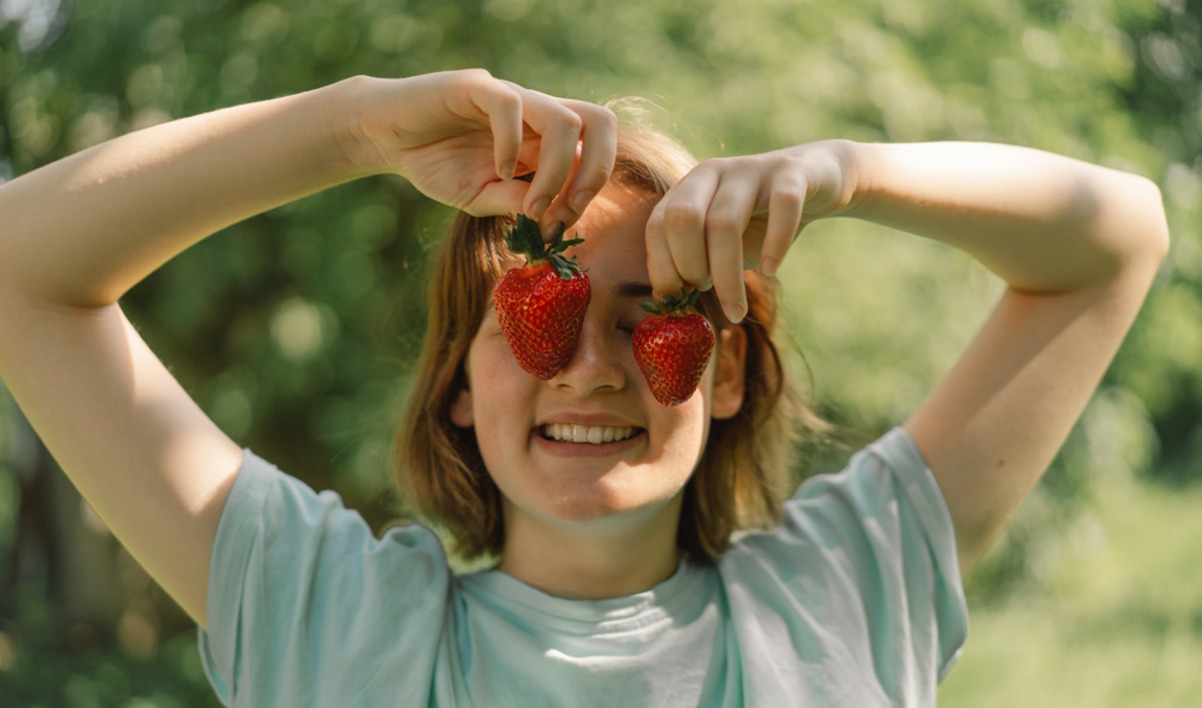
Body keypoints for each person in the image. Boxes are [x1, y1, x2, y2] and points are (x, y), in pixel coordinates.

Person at [0, 69, 1169, 706]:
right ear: (456, 387)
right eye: (536, 318)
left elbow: (1117, 238)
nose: (597, 362)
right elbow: (19, 268)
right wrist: (357, 125)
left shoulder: (844, 589)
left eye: (654, 311)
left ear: (721, 378)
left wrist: (848, 173)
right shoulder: (332, 623)